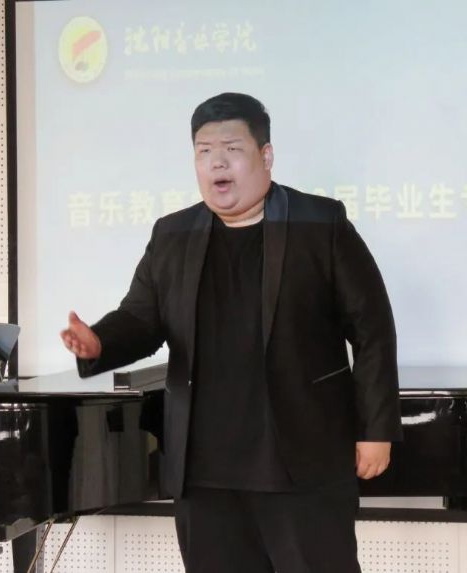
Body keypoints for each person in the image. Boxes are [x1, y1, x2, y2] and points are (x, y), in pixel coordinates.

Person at [60, 92, 402, 573]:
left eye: (232, 149)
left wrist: (375, 430)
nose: (216, 162)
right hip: (204, 471)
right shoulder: (172, 234)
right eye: (204, 151)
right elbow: (141, 318)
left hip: (301, 463)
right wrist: (99, 342)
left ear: (266, 155)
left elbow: (372, 330)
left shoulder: (320, 223)